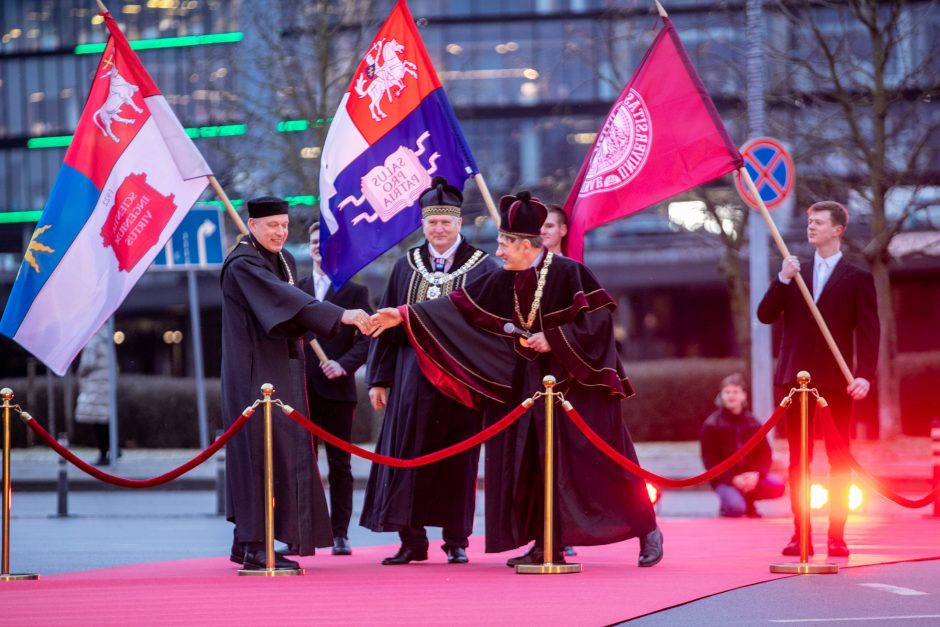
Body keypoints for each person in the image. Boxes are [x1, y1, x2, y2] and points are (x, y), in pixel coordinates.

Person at [370, 190, 663, 568]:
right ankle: (545, 542)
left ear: (527, 245)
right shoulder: (503, 279)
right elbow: (455, 307)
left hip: (577, 388)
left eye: (504, 244)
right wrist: (403, 314)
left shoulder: (569, 272)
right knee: (532, 465)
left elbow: (598, 323)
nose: (499, 252)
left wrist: (554, 339)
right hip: (527, 391)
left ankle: (647, 529)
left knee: (602, 466)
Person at [220, 196, 372, 571]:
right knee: (258, 456)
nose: (280, 232)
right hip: (253, 375)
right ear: (252, 226)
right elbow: (283, 300)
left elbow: (291, 308)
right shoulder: (242, 263)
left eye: (285, 226)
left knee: (278, 456)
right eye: (272, 225)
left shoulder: (282, 260)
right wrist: (341, 315)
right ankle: (255, 545)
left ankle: (247, 541)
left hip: (277, 370)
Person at [360, 176, 499, 566]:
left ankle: (456, 540)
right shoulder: (406, 266)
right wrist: (378, 378)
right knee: (408, 455)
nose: (438, 229)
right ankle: (411, 539)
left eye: (445, 223)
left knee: (458, 459)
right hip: (409, 379)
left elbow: (488, 326)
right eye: (431, 222)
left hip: (460, 380)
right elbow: (385, 325)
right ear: (423, 224)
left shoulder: (483, 267)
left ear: (459, 223)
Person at [757, 200, 879, 558]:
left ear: (837, 230)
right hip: (796, 382)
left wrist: (864, 376)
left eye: (819, 222)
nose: (811, 227)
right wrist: (781, 279)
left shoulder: (858, 278)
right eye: (810, 221)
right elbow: (765, 315)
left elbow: (870, 333)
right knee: (799, 459)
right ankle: (801, 533)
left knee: (840, 458)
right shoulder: (794, 273)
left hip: (836, 383)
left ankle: (837, 535)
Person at [298, 222, 372, 556]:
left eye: (324, 242)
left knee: (340, 465)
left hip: (338, 390)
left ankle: (340, 533)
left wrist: (344, 364)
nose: (318, 247)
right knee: (303, 463)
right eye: (314, 242)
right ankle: (305, 530)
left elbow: (369, 337)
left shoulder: (355, 292)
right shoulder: (296, 290)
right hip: (300, 391)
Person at [700, 373, 785, 518]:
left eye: (735, 392)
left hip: (751, 476)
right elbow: (710, 460)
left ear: (743, 396)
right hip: (726, 479)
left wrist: (756, 475)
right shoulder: (711, 425)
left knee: (778, 485)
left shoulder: (753, 422)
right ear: (721, 395)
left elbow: (765, 454)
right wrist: (733, 478)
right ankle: (731, 503)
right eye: (727, 392)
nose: (731, 396)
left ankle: (748, 499)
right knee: (736, 509)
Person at [74, 325, 112, 466]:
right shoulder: (107, 339)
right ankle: (112, 448)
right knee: (105, 420)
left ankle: (104, 453)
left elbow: (87, 364)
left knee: (98, 421)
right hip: (105, 384)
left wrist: (80, 374)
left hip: (95, 385)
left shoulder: (94, 340)